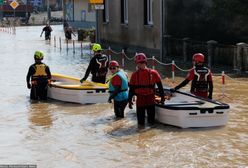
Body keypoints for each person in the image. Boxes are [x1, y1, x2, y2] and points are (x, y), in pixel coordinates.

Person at [128, 53, 165, 127]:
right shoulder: (134, 75)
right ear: (137, 64)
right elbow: (131, 89)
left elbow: (160, 87)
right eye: (140, 63)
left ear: (146, 62)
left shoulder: (153, 73)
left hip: (150, 99)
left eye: (143, 62)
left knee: (151, 122)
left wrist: (162, 98)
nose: (141, 64)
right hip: (140, 100)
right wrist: (129, 101)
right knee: (140, 124)